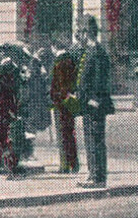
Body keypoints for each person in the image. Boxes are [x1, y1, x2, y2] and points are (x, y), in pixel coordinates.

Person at [76, 16, 114, 187]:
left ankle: (98, 177)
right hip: (88, 104)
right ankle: (94, 175)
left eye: (81, 32)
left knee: (95, 140)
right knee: (90, 139)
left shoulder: (97, 52)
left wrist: (94, 100)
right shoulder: (90, 51)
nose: (79, 36)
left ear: (87, 33)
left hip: (94, 104)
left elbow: (100, 79)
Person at [48, 45, 80, 173]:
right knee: (70, 134)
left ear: (54, 47)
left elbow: (60, 84)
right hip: (69, 102)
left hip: (61, 103)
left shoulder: (60, 62)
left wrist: (56, 98)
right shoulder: (71, 60)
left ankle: (65, 165)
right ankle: (74, 164)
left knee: (62, 135)